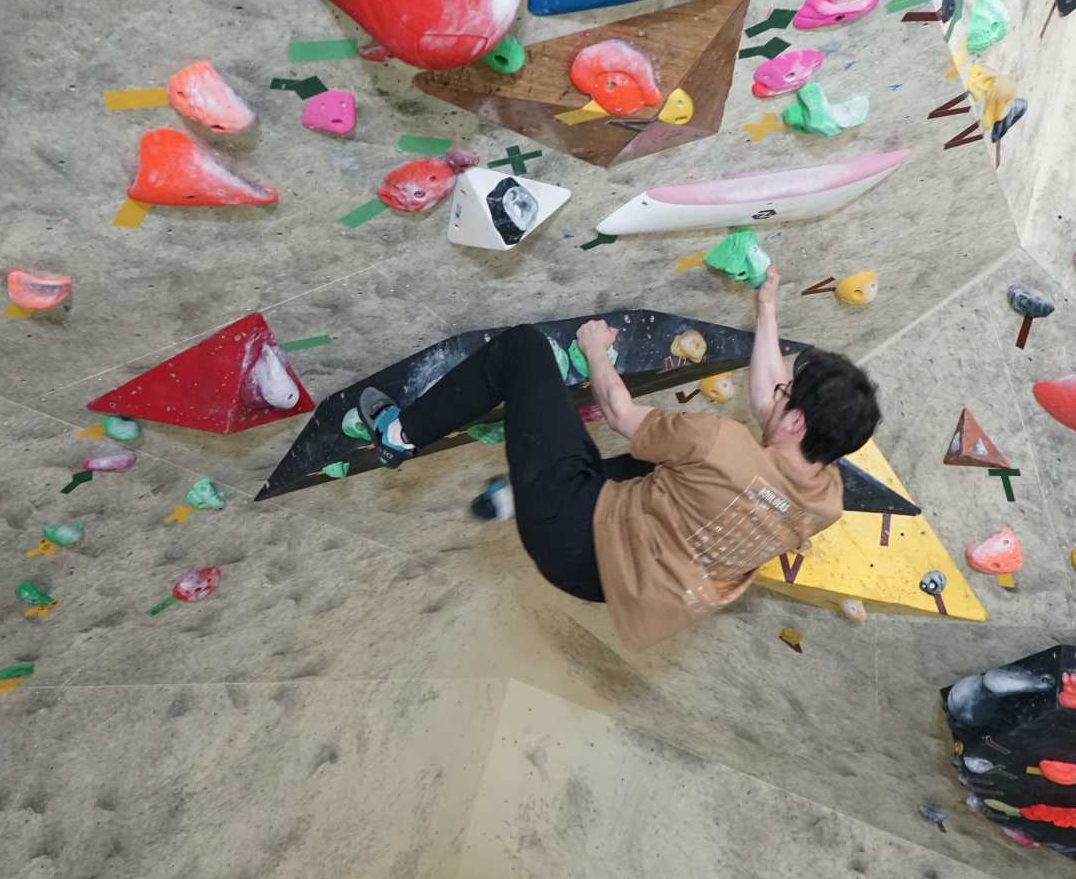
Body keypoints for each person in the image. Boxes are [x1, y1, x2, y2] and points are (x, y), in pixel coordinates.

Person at [357, 265, 882, 651]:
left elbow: (619, 411)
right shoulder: (826, 499)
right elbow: (771, 406)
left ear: (796, 424)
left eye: (788, 396)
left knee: (522, 349)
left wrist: (595, 350)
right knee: (675, 466)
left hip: (570, 533)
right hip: (620, 587)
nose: (777, 394)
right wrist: (766, 307)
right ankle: (517, 495)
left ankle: (397, 435)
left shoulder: (722, 442)